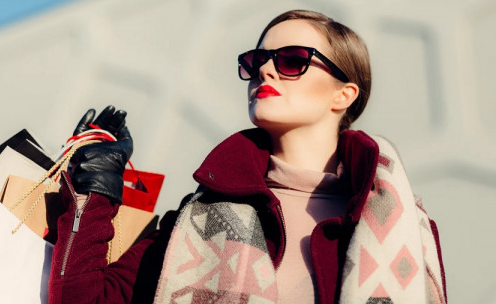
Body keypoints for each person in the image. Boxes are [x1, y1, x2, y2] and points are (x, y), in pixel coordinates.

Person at [48, 10, 446, 304]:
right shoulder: (195, 221)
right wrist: (95, 190)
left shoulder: (402, 226)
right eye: (256, 62)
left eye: (292, 60)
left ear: (343, 94)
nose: (266, 70)